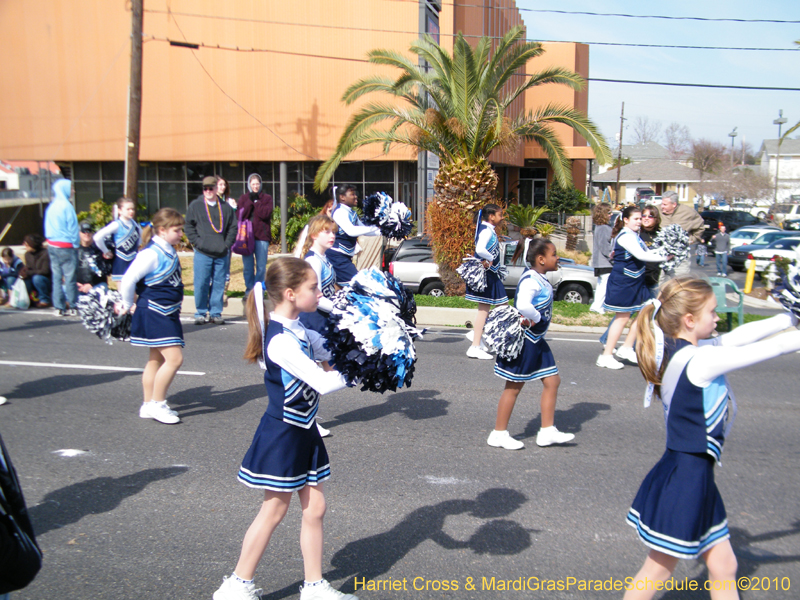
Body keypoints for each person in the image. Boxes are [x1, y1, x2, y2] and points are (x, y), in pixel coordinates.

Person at [624, 278, 800, 600]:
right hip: (686, 481)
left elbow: (737, 338)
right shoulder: (701, 361)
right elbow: (770, 349)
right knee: (657, 570)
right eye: (713, 312)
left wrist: (789, 317)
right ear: (690, 320)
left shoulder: (681, 349)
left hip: (694, 477)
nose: (718, 317)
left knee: (724, 565)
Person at [212, 257, 357, 600]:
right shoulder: (280, 341)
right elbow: (323, 381)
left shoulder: (300, 329)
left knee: (315, 508)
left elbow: (332, 351)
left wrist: (370, 341)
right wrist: (362, 370)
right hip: (283, 433)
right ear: (291, 294)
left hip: (305, 429)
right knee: (274, 510)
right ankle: (237, 585)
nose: (320, 294)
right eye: (313, 288)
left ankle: (314, 586)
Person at [487, 238, 575, 450]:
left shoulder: (539, 278)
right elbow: (522, 304)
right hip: (525, 342)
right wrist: (536, 317)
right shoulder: (531, 280)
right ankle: (498, 434)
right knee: (513, 388)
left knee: (552, 381)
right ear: (541, 259)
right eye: (554, 254)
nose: (558, 258)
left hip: (536, 340)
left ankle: (547, 431)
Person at [117, 208, 186, 425]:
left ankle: (148, 404)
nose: (181, 234)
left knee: (156, 359)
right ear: (162, 230)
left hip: (166, 311)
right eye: (177, 230)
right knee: (174, 359)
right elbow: (128, 280)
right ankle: (158, 404)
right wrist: (127, 304)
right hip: (155, 312)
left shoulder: (167, 249)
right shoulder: (151, 253)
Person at [597, 206, 666, 370]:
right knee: (622, 318)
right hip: (624, 282)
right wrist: (666, 257)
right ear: (626, 220)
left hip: (635, 282)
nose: (639, 222)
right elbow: (642, 255)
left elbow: (649, 252)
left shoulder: (634, 236)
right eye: (636, 219)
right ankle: (606, 355)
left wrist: (669, 249)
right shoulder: (626, 236)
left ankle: (627, 347)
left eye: (640, 218)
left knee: (644, 312)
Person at [299, 215, 339, 439]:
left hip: (324, 319)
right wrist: (339, 309)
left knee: (331, 371)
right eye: (327, 231)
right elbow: (316, 296)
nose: (332, 236)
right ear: (314, 235)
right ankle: (307, 420)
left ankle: (306, 417)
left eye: (333, 232)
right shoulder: (313, 261)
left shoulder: (324, 259)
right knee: (315, 375)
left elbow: (330, 290)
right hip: (313, 320)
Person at [186, 175, 237, 325]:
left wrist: (226, 245)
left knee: (219, 284)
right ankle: (201, 312)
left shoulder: (225, 207)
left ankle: (215, 313)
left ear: (216, 189)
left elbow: (233, 227)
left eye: (210, 188)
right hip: (202, 253)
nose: (208, 191)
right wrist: (197, 243)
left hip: (221, 253)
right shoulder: (196, 206)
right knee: (201, 283)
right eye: (205, 188)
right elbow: (188, 226)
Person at [465, 204, 508, 360]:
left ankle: (477, 334)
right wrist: (490, 258)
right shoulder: (486, 231)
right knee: (487, 310)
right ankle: (475, 345)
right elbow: (480, 249)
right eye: (500, 214)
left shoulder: (488, 230)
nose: (502, 217)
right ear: (491, 216)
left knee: (502, 308)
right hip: (487, 276)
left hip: (492, 275)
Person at [326, 185, 380, 284]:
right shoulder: (339, 212)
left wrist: (385, 231)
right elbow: (351, 231)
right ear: (342, 197)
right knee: (358, 284)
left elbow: (365, 230)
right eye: (352, 194)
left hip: (344, 257)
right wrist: (374, 228)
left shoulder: (351, 212)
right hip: (336, 257)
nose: (355, 197)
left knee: (348, 287)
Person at [44, 179, 79, 316]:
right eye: (71, 188)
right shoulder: (67, 206)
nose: (73, 191)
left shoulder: (51, 206)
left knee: (56, 278)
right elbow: (73, 228)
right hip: (67, 246)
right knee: (70, 278)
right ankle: (73, 306)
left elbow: (46, 227)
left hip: (52, 245)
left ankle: (58, 307)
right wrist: (76, 245)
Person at [237, 173, 273, 300]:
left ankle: (258, 290)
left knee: (261, 267)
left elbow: (265, 214)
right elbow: (241, 215)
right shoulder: (244, 198)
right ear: (249, 185)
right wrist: (250, 201)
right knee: (248, 267)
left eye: (257, 184)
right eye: (253, 184)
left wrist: (257, 201)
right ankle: (249, 290)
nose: (255, 186)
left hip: (261, 237)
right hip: (247, 237)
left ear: (260, 185)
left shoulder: (267, 198)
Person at [93, 197, 142, 282]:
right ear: (119, 211)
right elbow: (97, 237)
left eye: (132, 209)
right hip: (121, 262)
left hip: (133, 262)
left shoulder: (135, 224)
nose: (131, 211)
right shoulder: (116, 225)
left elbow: (141, 238)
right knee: (122, 290)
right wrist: (106, 251)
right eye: (128, 209)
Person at [658, 191, 704, 280]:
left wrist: (692, 239)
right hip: (661, 254)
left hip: (680, 257)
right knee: (658, 283)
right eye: (662, 203)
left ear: (674, 204)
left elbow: (700, 227)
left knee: (680, 282)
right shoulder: (657, 210)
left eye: (665, 204)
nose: (662, 206)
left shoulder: (688, 212)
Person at [215, 176, 237, 307]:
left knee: (225, 266)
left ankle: (223, 292)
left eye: (224, 185)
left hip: (226, 239)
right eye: (220, 184)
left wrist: (233, 208)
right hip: (214, 239)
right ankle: (214, 292)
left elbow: (233, 220)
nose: (222, 187)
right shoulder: (211, 201)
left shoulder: (229, 201)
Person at [589, 203, 613, 314]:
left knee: (601, 285)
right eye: (609, 212)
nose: (611, 214)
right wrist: (612, 257)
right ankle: (598, 306)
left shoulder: (599, 227)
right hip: (605, 263)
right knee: (604, 285)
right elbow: (605, 247)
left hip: (600, 262)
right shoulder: (604, 228)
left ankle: (596, 306)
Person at [76, 221, 112, 295]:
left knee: (102, 288)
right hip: (79, 287)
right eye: (84, 231)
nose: (86, 233)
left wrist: (91, 284)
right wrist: (75, 283)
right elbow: (70, 271)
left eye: (89, 231)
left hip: (96, 285)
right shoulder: (75, 251)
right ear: (79, 233)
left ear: (92, 233)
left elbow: (103, 272)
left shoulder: (99, 250)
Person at [20, 234, 52, 309]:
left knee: (37, 278)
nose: (24, 245)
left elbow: (45, 271)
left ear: (32, 244)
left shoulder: (45, 253)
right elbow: (28, 267)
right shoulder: (27, 254)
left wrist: (29, 272)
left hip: (45, 280)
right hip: (33, 278)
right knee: (25, 280)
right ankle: (27, 300)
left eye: (26, 244)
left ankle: (45, 300)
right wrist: (23, 271)